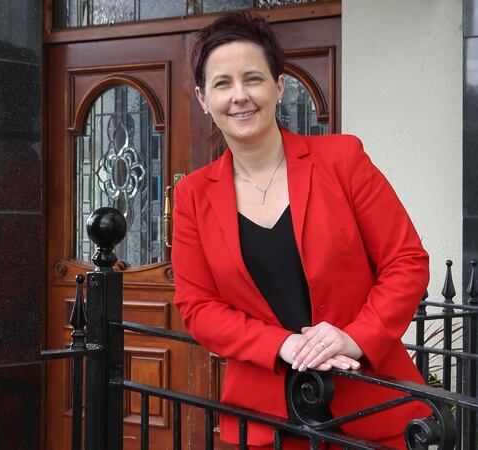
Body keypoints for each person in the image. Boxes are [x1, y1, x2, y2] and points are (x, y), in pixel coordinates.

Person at [172, 11, 430, 449]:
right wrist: (284, 345)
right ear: (202, 98)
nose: (239, 96)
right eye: (222, 84)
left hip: (372, 409)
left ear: (279, 86)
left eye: (253, 78)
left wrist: (354, 336)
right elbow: (198, 307)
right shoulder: (193, 196)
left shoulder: (342, 160)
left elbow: (406, 261)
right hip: (267, 424)